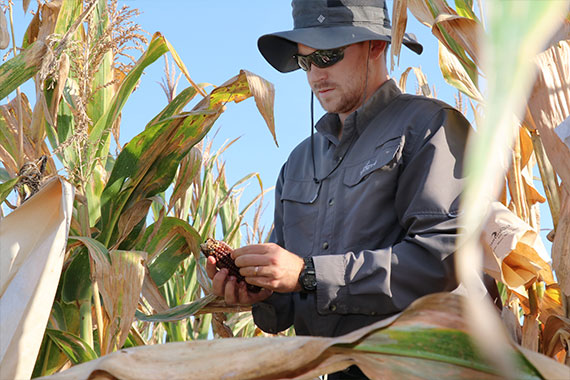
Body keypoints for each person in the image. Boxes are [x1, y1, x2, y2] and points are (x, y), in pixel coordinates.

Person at [206, 0, 471, 378]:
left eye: (328, 55)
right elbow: (288, 299)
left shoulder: (430, 127)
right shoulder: (298, 163)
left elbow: (442, 261)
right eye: (304, 61)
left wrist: (310, 274)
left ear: (376, 46)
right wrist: (261, 290)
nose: (315, 75)